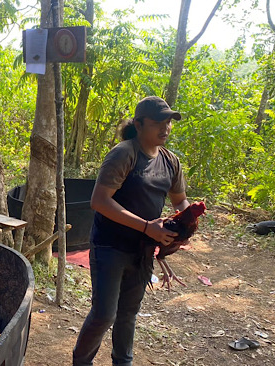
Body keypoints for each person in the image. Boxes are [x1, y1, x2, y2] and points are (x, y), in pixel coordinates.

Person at [72, 96, 190, 366]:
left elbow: (179, 200)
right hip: (110, 246)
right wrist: (148, 226)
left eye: (169, 122)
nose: (166, 128)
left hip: (143, 250)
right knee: (104, 315)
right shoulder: (125, 153)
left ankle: (122, 362)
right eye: (158, 122)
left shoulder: (170, 161)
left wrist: (185, 224)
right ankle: (81, 362)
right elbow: (99, 201)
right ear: (138, 124)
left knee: (128, 314)